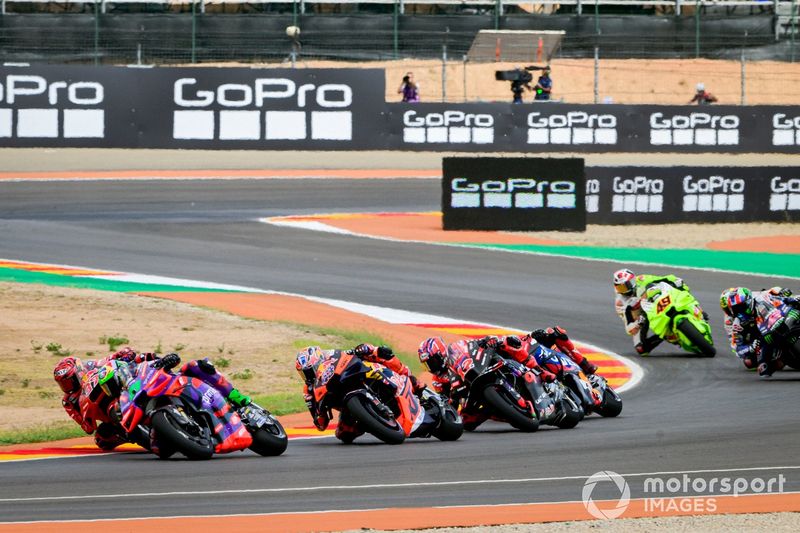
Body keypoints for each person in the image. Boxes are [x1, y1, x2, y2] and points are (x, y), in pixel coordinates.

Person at [54, 348, 250, 450]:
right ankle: (145, 433)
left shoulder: (91, 366)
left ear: (78, 372)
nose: (69, 386)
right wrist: (86, 416)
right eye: (65, 384)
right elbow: (87, 427)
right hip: (110, 411)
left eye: (71, 381)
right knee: (101, 439)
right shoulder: (69, 401)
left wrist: (131, 355)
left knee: (198, 367)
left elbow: (113, 359)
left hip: (131, 384)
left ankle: (237, 398)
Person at [419, 332, 578, 430]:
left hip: (490, 367)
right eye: (428, 364)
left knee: (509, 345)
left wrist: (489, 341)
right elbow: (449, 405)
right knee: (467, 422)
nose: (431, 366)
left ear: (441, 354)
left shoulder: (457, 349)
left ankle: (540, 372)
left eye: (432, 361)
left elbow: (475, 345)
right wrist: (451, 402)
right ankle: (504, 411)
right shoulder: (439, 380)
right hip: (473, 393)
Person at [296, 343, 423, 443]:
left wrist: (362, 349)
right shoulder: (309, 391)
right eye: (303, 373)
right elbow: (321, 425)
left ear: (319, 361)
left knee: (380, 352)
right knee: (343, 434)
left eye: (309, 371)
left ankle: (410, 378)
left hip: (361, 376)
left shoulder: (332, 356)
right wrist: (317, 411)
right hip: (347, 405)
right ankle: (373, 423)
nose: (307, 376)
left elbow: (351, 353)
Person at [720, 287, 799, 377]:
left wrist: (790, 297)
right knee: (761, 368)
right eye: (736, 309)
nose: (739, 311)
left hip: (776, 321)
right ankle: (781, 361)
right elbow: (738, 349)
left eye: (741, 307)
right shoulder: (736, 323)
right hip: (762, 337)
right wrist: (751, 347)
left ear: (748, 301)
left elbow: (778, 296)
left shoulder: (761, 298)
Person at [613, 268, 691, 355]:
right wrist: (638, 322)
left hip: (656, 299)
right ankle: (664, 335)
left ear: (632, 281)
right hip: (642, 315)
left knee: (682, 288)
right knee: (641, 349)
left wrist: (675, 281)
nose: (622, 290)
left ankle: (697, 311)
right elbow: (629, 329)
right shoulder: (620, 303)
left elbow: (663, 278)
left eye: (624, 286)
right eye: (619, 287)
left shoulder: (642, 279)